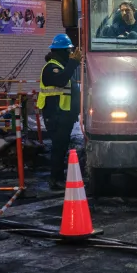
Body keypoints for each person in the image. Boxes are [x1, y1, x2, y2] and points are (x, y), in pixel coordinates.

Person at [38, 33, 82, 190]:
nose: (70, 54)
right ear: (61, 51)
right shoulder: (51, 68)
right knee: (58, 148)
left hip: (63, 115)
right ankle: (55, 179)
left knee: (61, 147)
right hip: (56, 116)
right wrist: (73, 63)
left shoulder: (61, 67)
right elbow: (62, 80)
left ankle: (58, 177)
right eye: (68, 51)